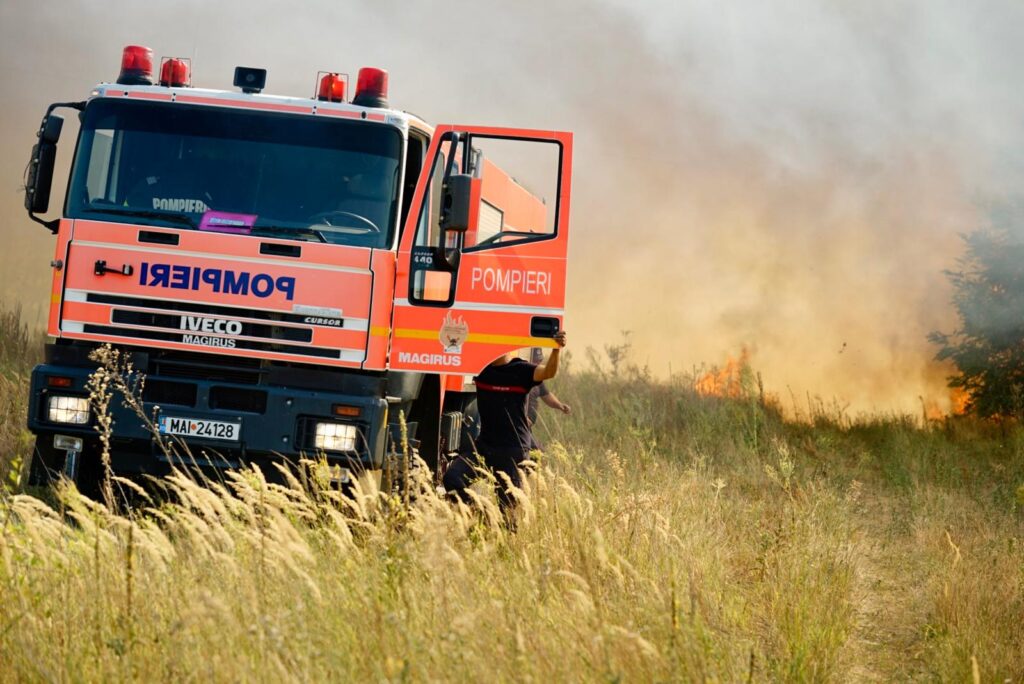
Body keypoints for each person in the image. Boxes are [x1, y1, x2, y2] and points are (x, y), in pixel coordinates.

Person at [443, 331, 568, 522]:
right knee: (452, 479)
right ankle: (482, 515)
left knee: (507, 516)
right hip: (484, 448)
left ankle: (500, 530)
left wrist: (556, 349)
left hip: (512, 452)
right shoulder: (481, 369)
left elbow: (548, 372)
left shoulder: (521, 370)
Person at [526, 348, 571, 450]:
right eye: (535, 361)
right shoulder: (519, 378)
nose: (537, 364)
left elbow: (546, 395)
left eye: (539, 361)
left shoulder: (537, 379)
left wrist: (560, 405)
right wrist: (522, 417)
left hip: (527, 427)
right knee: (536, 452)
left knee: (535, 452)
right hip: (519, 425)